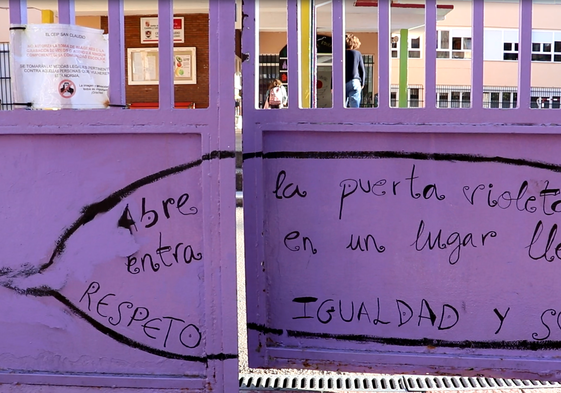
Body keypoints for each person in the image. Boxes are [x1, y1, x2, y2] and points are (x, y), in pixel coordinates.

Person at [345, 33, 365, 108]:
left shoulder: (340, 54)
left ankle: (342, 119)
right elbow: (362, 69)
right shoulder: (357, 53)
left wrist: (332, 86)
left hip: (341, 82)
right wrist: (362, 83)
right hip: (354, 81)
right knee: (354, 104)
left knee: (341, 105)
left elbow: (334, 70)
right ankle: (354, 119)